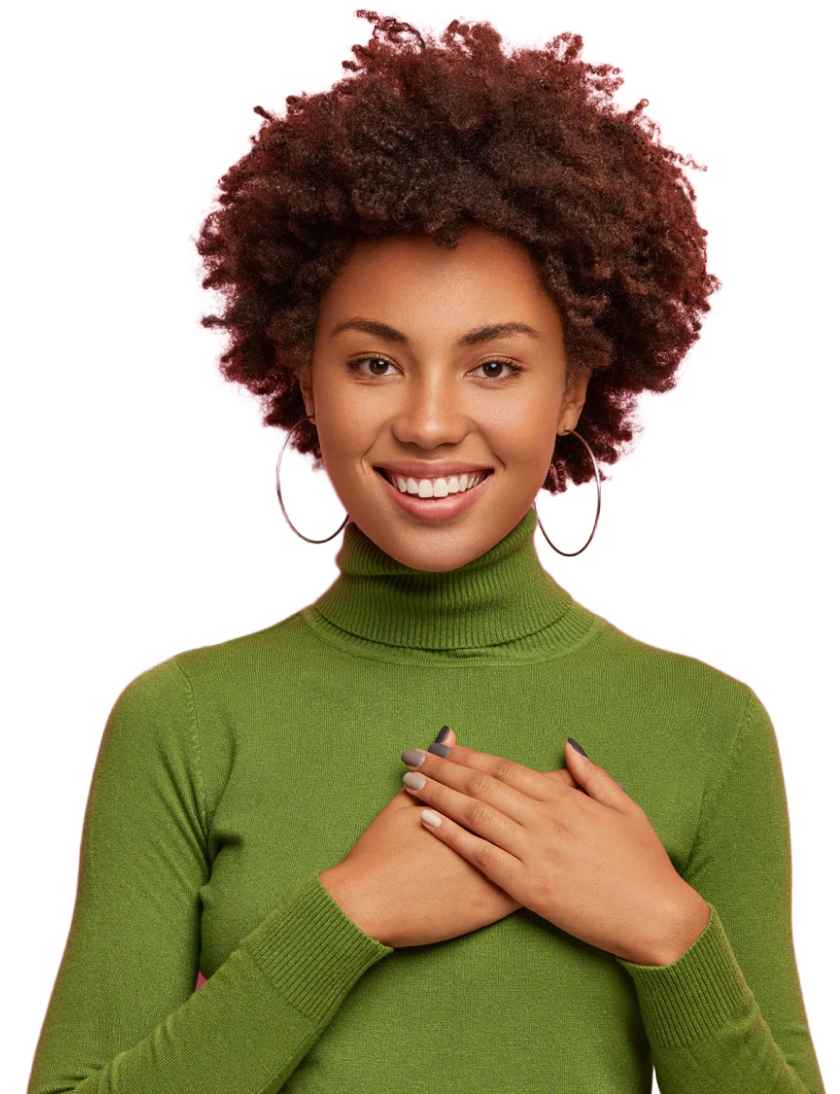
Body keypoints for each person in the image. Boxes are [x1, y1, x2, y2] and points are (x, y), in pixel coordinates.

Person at [26, 8, 825, 1094]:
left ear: (575, 387)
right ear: (305, 376)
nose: (432, 423)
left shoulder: (712, 730)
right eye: (375, 363)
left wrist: (666, 929)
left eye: (494, 366)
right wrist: (349, 912)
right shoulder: (179, 719)